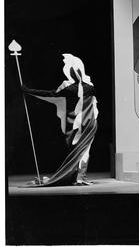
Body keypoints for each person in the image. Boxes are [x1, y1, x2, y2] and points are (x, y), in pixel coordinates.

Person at [21, 54, 98, 186]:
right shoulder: (90, 87)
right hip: (89, 124)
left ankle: (78, 177)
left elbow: (50, 94)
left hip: (79, 126)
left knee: (79, 151)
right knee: (84, 151)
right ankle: (78, 176)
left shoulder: (71, 89)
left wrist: (28, 91)